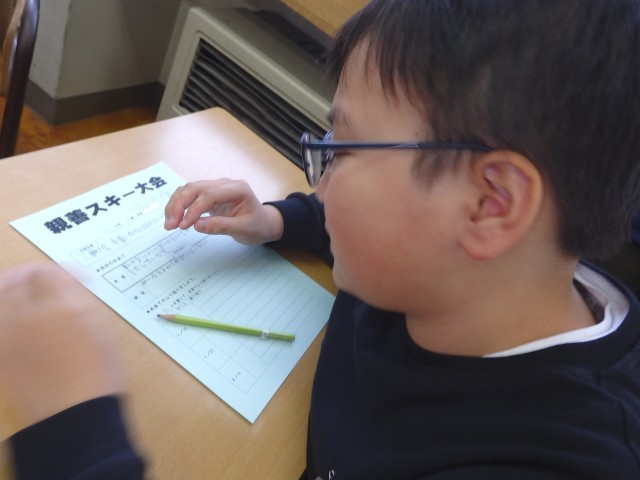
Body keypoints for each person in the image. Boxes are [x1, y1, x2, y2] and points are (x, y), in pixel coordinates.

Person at [4, 0, 640, 478]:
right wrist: (280, 221)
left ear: (490, 205)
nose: (321, 178)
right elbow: (364, 228)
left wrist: (73, 425)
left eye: (345, 149)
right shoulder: (451, 271)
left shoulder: (554, 458)